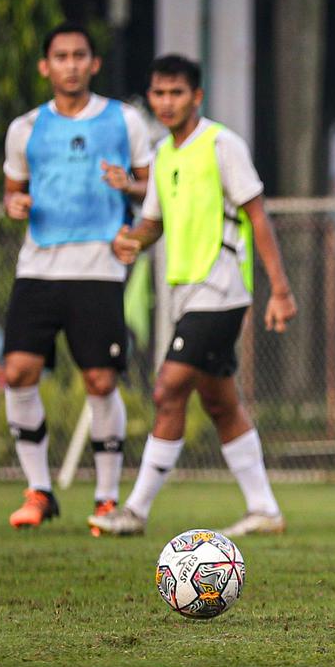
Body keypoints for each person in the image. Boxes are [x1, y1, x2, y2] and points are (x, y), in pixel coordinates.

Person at [88, 55, 297, 537]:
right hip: (185, 294)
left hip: (220, 290)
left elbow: (258, 215)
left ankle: (135, 511)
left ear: (196, 96)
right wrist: (131, 241)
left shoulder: (222, 144)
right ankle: (264, 509)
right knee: (221, 403)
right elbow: (154, 224)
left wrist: (280, 290)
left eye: (176, 92)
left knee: (167, 388)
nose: (165, 102)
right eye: (158, 93)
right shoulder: (164, 155)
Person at [2, 21, 153, 532]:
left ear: (94, 63)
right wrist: (14, 203)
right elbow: (12, 190)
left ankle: (107, 498)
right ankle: (39, 490)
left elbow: (153, 189)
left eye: (79, 55)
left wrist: (129, 187)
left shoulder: (124, 120)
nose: (70, 64)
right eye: (60, 56)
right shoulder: (26, 128)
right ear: (46, 66)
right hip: (39, 267)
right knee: (19, 372)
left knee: (99, 379)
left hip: (100, 269)